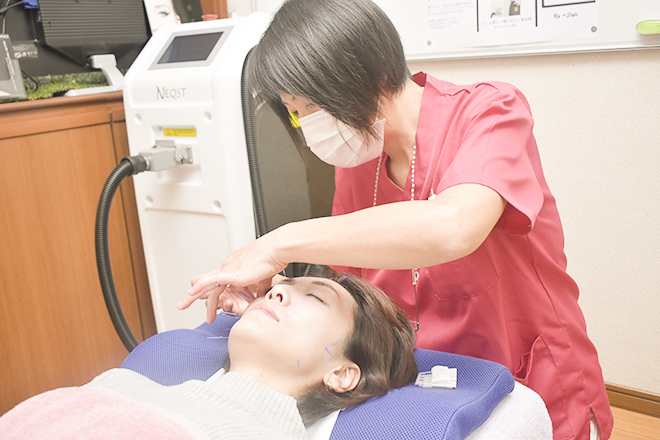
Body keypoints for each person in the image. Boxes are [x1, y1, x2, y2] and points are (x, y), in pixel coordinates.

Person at [179, 1, 613, 439]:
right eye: (295, 111)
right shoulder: (358, 160)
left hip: (528, 378)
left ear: (362, 73)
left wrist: (276, 244)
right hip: (423, 388)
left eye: (309, 105)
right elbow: (355, 297)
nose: (305, 124)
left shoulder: (489, 112)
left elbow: (453, 226)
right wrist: (268, 314)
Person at [0, 268, 418, 439]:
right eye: (281, 286)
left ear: (344, 373)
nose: (276, 290)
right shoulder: (120, 384)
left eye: (315, 297)